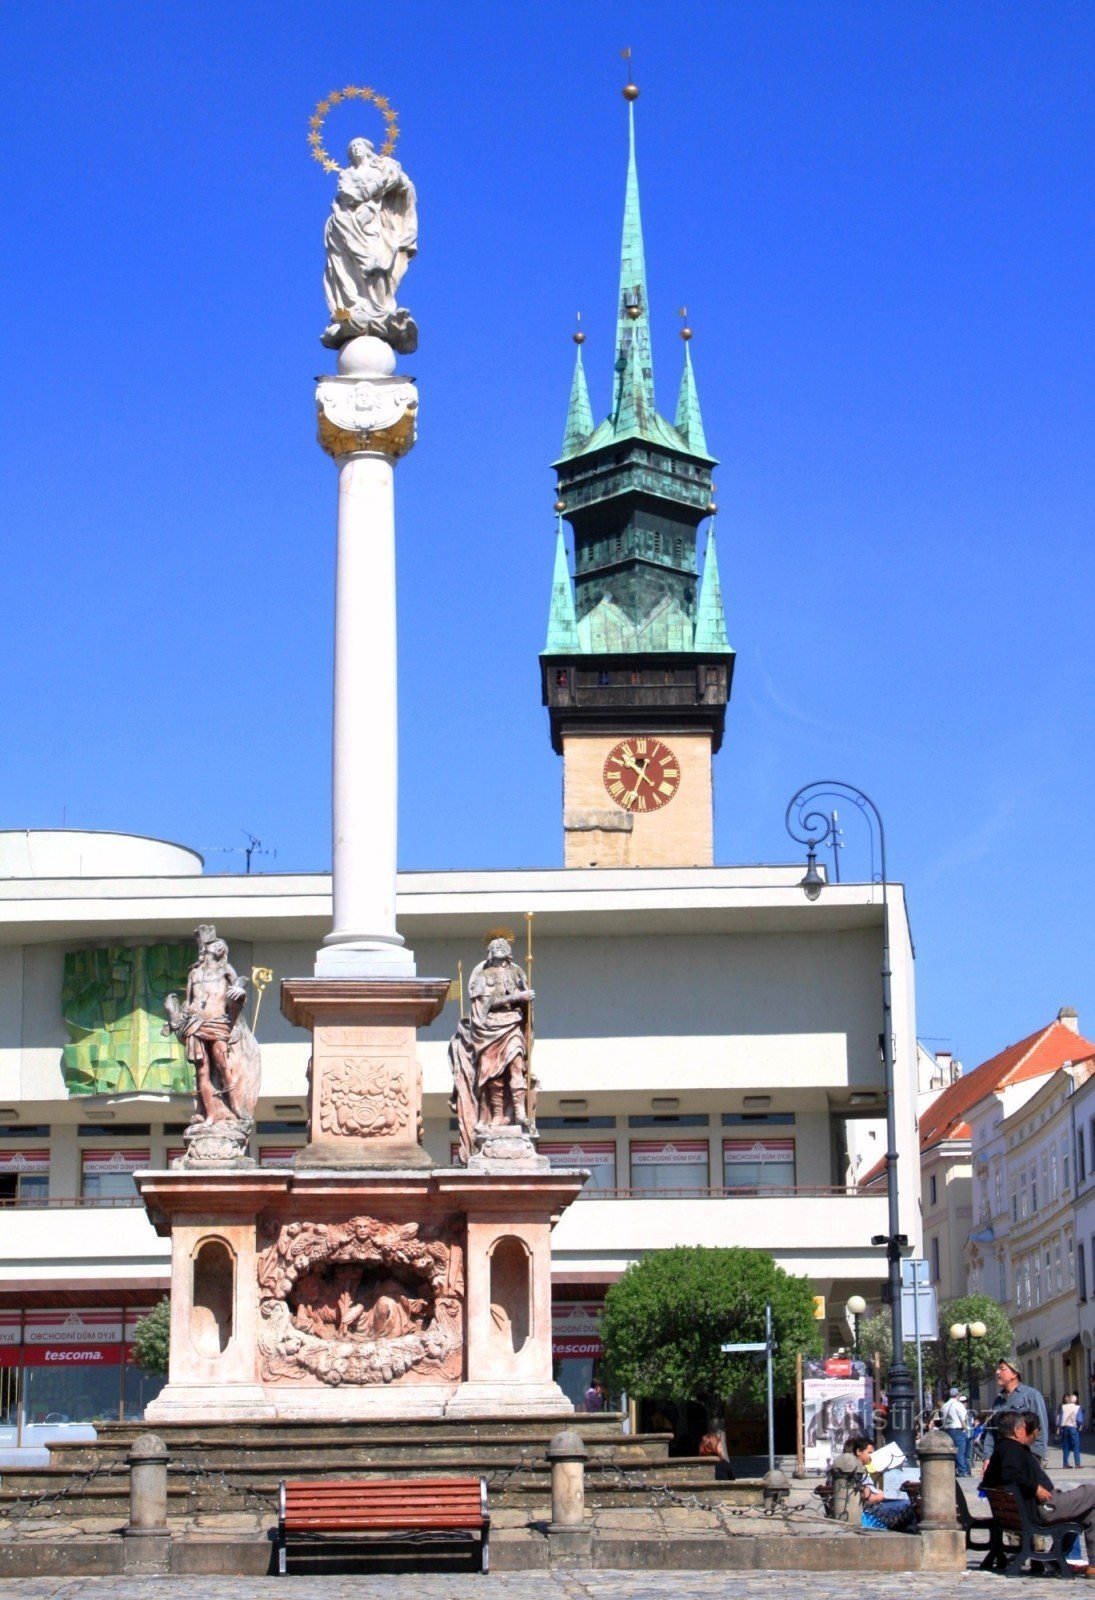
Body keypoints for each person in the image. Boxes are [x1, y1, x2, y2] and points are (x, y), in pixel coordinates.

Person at [322, 137, 418, 350]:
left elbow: (404, 187)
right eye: (351, 147)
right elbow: (349, 195)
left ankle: (380, 309)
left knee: (376, 265)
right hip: (348, 225)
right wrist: (379, 185)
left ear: (368, 150)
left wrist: (392, 178)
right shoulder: (346, 175)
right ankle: (353, 305)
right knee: (346, 267)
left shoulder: (382, 169)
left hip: (374, 226)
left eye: (359, 145)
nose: (355, 148)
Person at [448, 939, 537, 1162]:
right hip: (489, 1030)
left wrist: (527, 1000)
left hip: (513, 1025)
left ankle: (519, 1113)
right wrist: (517, 997)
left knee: (517, 1068)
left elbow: (525, 1003)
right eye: (494, 949)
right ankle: (497, 1115)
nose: (498, 951)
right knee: (493, 1076)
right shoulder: (484, 975)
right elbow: (484, 1005)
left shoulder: (517, 972)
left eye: (502, 948)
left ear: (508, 952)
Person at [983, 1409, 1095, 1574]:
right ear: (1017, 1430)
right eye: (1023, 1427)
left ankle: (1089, 1564)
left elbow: (990, 1480)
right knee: (1091, 1491)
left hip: (1032, 1509)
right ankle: (1063, 1559)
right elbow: (1009, 1473)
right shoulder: (1012, 1448)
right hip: (1043, 1508)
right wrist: (1034, 1488)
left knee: (1090, 1513)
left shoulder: (1002, 1449)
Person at [983, 1354, 1050, 1460]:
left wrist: (1037, 1455)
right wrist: (987, 1457)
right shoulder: (998, 1401)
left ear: (1014, 1373)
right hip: (1002, 1457)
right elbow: (991, 1432)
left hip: (1025, 1456)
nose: (997, 1372)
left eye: (1002, 1369)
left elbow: (1041, 1427)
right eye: (998, 1369)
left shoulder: (1031, 1395)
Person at [845, 1436, 917, 1531]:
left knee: (910, 1504)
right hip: (871, 1511)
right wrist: (885, 1495)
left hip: (875, 1507)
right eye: (870, 1453)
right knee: (909, 1504)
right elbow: (867, 1498)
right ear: (858, 1451)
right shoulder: (858, 1472)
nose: (872, 1456)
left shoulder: (860, 1470)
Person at [940, 1385, 971, 1475]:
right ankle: (962, 1472)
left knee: (950, 1453)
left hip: (947, 1431)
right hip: (958, 1431)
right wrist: (966, 1430)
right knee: (960, 1452)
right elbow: (963, 1419)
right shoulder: (959, 1405)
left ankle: (951, 1471)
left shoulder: (944, 1406)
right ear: (958, 1395)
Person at [1059, 1393, 1085, 1469]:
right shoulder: (1077, 1407)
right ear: (1075, 1401)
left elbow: (1060, 1418)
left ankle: (1065, 1464)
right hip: (1073, 1427)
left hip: (1065, 1427)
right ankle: (1077, 1464)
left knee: (1066, 1446)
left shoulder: (1063, 1407)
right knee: (1076, 1446)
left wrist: (1059, 1427)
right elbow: (1079, 1420)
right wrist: (1079, 1426)